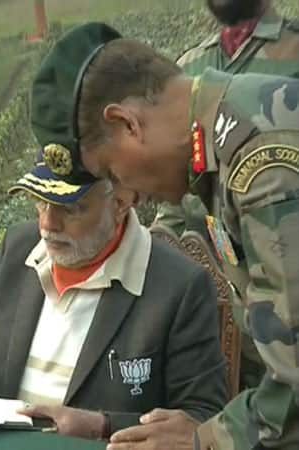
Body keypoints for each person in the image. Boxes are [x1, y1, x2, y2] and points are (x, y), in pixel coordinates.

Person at [30, 21, 298, 450]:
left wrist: (201, 438)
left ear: (127, 123)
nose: (130, 198)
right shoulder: (225, 138)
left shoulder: (259, 159)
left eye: (113, 173)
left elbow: (293, 389)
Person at [0, 158, 227, 441]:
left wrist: (101, 426)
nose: (48, 225)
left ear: (120, 202)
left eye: (70, 208)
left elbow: (202, 418)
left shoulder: (179, 287)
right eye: (41, 202)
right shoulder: (18, 250)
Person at [154, 0, 299, 393]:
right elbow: (174, 194)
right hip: (212, 297)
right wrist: (162, 246)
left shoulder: (293, 50)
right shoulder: (188, 69)